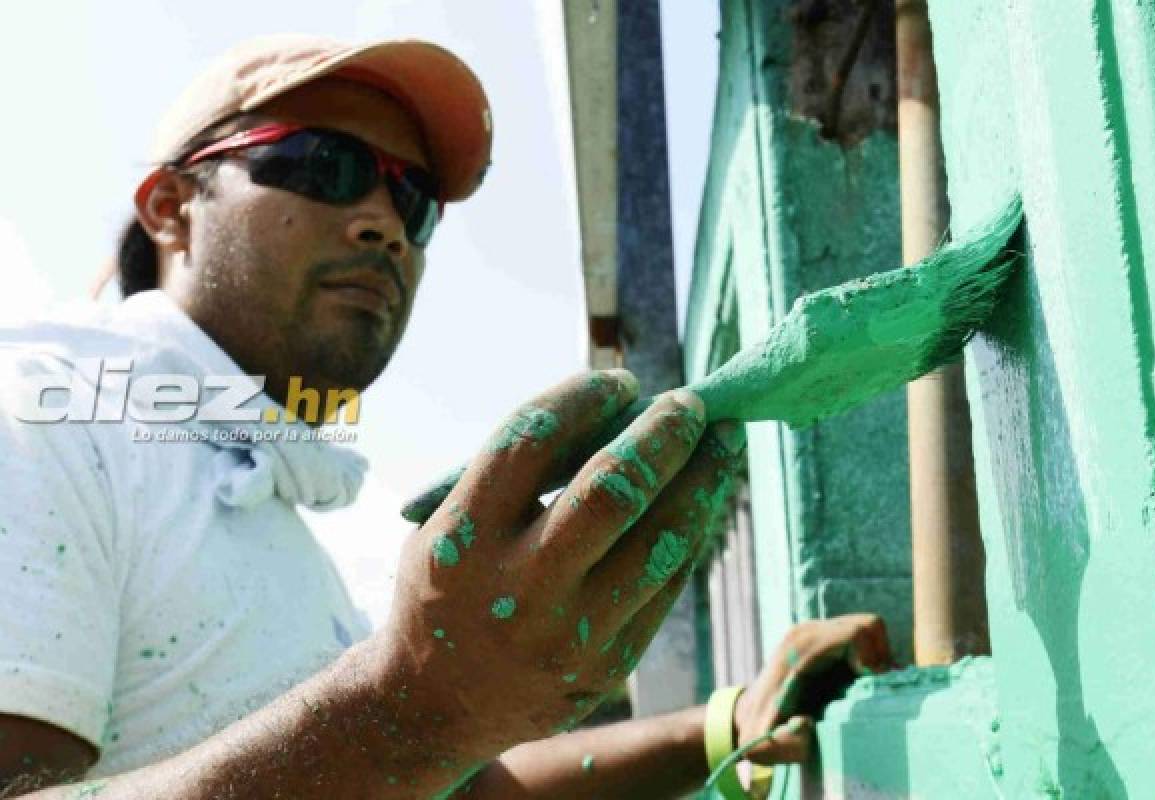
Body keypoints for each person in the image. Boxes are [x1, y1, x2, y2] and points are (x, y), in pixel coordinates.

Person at [0, 34, 893, 798]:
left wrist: (727, 723)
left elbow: (460, 788)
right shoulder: (42, 418)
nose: (384, 223)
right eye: (327, 165)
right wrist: (416, 708)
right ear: (172, 208)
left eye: (412, 199)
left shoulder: (263, 508)